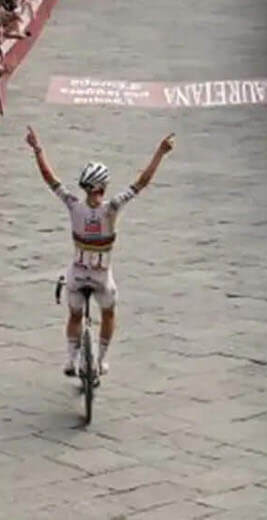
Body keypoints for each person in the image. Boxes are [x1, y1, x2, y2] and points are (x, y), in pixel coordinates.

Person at [24, 125, 176, 378]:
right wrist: (160, 153)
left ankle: (71, 360)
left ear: (85, 188)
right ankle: (102, 361)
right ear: (103, 188)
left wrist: (37, 149)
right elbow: (141, 183)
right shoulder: (112, 208)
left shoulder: (74, 206)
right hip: (101, 276)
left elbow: (50, 179)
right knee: (108, 312)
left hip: (77, 273)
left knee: (74, 315)